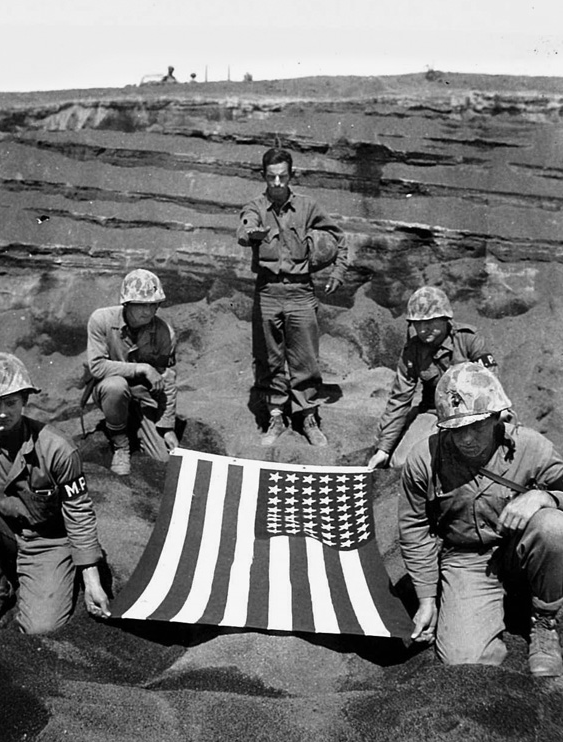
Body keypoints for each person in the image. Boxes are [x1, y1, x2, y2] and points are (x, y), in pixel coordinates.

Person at [399, 361, 563, 676]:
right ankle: (496, 610)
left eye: (477, 425)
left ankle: (545, 622)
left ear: (496, 417)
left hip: (521, 549)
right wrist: (426, 599)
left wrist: (546, 496)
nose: (467, 439)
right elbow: (414, 529)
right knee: (464, 660)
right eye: (457, 429)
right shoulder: (423, 459)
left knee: (553, 527)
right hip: (466, 560)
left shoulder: (531, 446)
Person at [0, 352, 110, 634]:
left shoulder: (57, 448)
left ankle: (40, 579)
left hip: (47, 542)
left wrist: (92, 580)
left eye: (11, 402)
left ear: (25, 400)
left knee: (41, 627)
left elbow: (79, 512)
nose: (2, 411)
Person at [237, 147, 365, 447]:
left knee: (305, 359)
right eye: (271, 177)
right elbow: (245, 228)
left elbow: (340, 239)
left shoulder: (308, 207)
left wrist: (337, 273)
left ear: (291, 175)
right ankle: (276, 416)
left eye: (283, 176)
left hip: (301, 292)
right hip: (268, 292)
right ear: (263, 176)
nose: (278, 183)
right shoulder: (255, 206)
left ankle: (307, 417)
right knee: (269, 359)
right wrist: (253, 232)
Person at [367, 286, 497, 469]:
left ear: (445, 319)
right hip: (435, 412)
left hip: (474, 412)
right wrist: (384, 449)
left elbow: (491, 383)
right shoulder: (412, 351)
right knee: (401, 463)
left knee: (496, 452)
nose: (422, 329)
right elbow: (400, 399)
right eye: (417, 323)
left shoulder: (468, 340)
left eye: (429, 322)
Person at [87, 268, 178, 476]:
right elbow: (97, 366)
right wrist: (142, 368)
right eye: (141, 305)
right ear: (126, 304)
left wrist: (167, 426)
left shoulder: (165, 332)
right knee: (115, 386)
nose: (148, 311)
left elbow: (168, 378)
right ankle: (120, 444)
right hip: (110, 390)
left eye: (153, 304)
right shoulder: (101, 320)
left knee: (163, 457)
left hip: (144, 397)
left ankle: (139, 424)